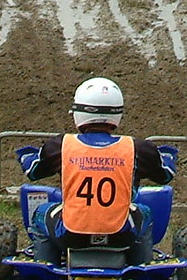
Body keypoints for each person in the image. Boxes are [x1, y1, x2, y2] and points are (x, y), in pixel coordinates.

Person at [21, 78, 174, 265]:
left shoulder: (62, 145)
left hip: (70, 235)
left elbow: (33, 172)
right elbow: (165, 176)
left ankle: (46, 272)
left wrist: (26, 157)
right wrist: (167, 157)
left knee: (41, 211)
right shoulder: (136, 148)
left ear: (78, 113)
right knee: (145, 211)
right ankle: (141, 268)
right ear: (117, 113)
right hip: (121, 235)